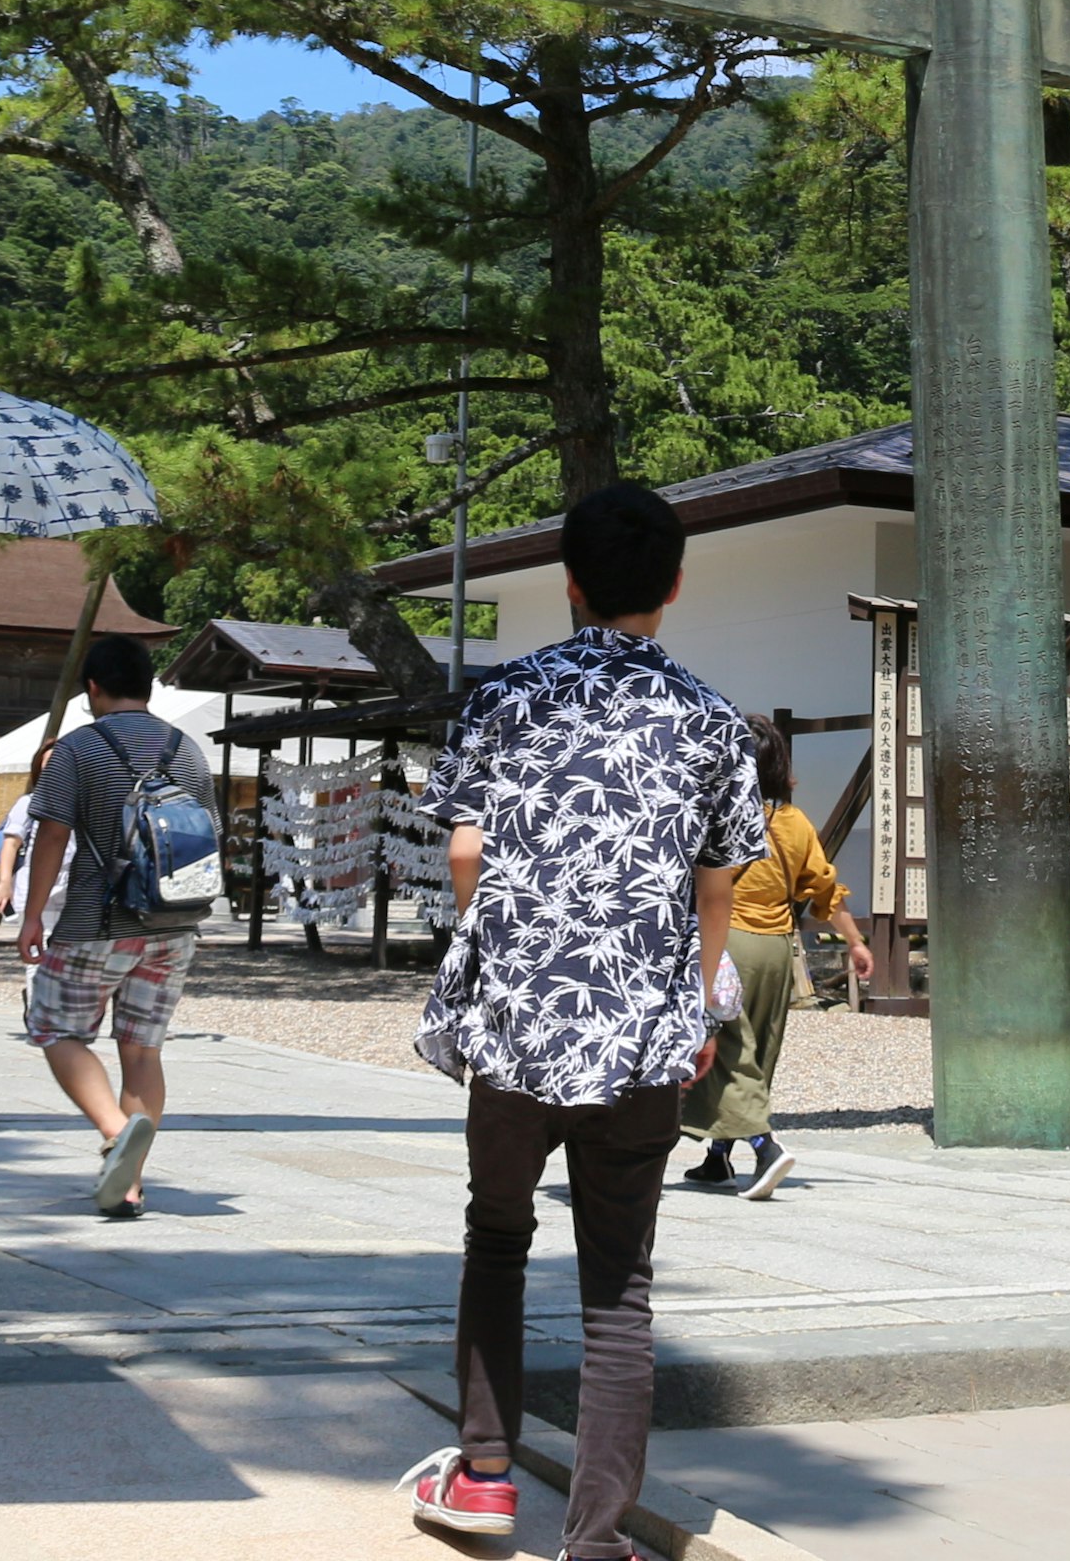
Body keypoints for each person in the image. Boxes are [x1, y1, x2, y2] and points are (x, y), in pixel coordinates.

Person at [398, 482, 767, 1558]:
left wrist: (514, 951)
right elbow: (719, 887)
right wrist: (696, 1001)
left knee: (497, 1238)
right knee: (619, 1288)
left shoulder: (504, 696)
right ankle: (595, 1540)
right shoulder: (708, 717)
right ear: (676, 586)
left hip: (517, 1027)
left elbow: (465, 852)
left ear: (568, 579)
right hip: (646, 1033)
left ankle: (486, 1478)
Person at [11, 638, 212, 1218]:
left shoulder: (79, 749)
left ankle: (112, 1131)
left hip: (96, 920)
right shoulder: (187, 749)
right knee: (143, 1050)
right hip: (173, 924)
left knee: (53, 1027)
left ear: (92, 688)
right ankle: (130, 1185)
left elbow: (50, 834)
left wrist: (31, 915)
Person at [677, 714, 874, 1200]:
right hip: (779, 950)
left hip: (730, 944)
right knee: (758, 1046)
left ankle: (764, 1146)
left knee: (726, 1049)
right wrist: (855, 941)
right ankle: (717, 1157)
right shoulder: (795, 822)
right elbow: (824, 888)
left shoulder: (724, 816)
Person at [0, 741, 52, 919]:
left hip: (71, 893)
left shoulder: (84, 806)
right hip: (33, 890)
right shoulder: (29, 804)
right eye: (49, 764)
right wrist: (5, 882)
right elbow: (11, 843)